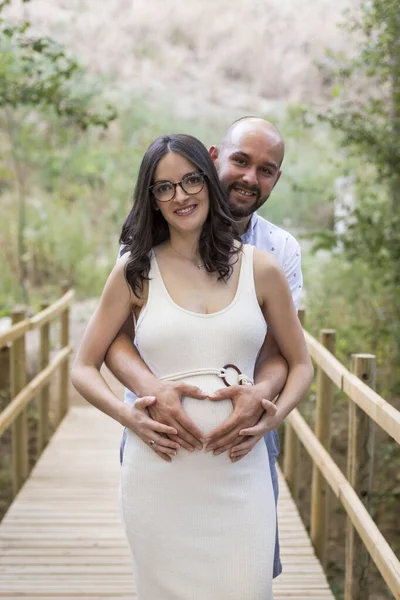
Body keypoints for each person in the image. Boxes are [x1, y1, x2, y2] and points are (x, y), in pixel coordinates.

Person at [71, 132, 313, 600]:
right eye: (164, 187)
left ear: (208, 180)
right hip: (159, 472)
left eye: (190, 181)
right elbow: (84, 365)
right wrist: (130, 416)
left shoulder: (263, 267)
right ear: (152, 199)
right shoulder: (133, 270)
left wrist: (271, 415)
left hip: (239, 471)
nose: (181, 196)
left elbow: (299, 363)